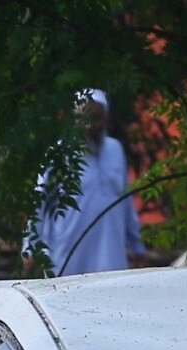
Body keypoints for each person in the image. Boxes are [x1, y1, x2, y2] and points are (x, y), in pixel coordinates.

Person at [32, 89, 145, 277]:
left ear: (106, 119)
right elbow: (39, 201)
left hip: (110, 254)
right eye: (85, 118)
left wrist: (137, 245)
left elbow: (126, 201)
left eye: (96, 118)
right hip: (67, 252)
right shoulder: (59, 154)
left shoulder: (115, 150)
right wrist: (31, 246)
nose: (90, 125)